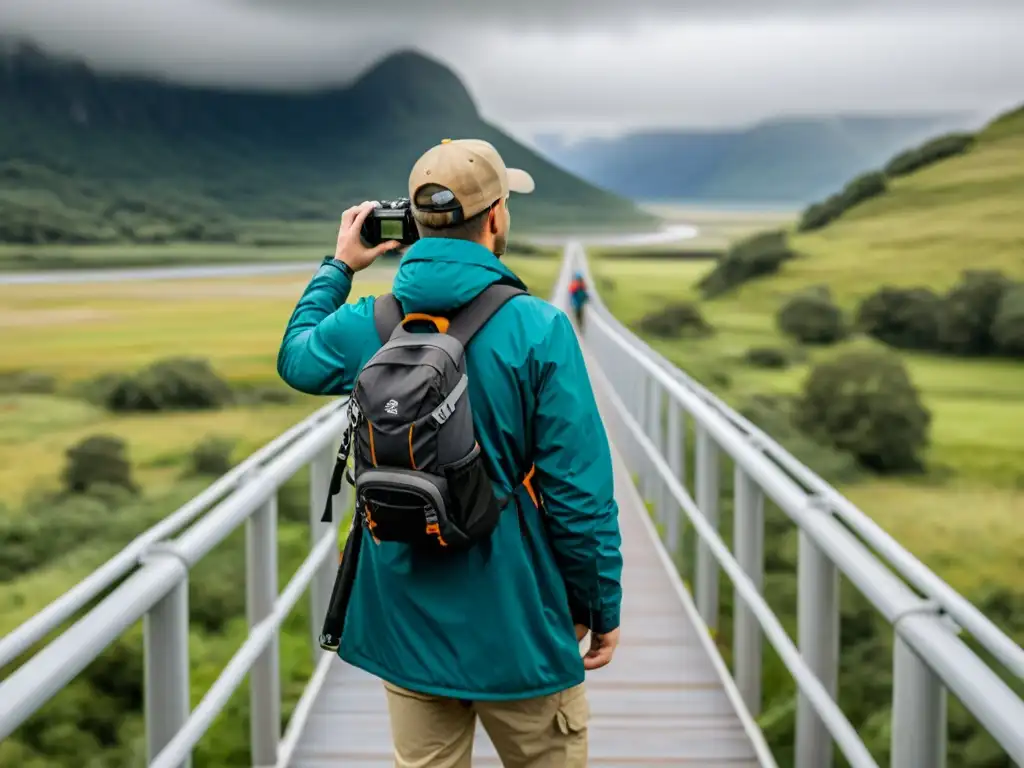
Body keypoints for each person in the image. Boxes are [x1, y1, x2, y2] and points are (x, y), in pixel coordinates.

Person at [276, 138, 622, 768]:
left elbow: (296, 358)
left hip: (405, 624)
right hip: (521, 626)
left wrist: (339, 265)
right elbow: (579, 493)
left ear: (411, 221)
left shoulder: (370, 324)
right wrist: (600, 606)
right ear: (494, 218)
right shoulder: (540, 329)